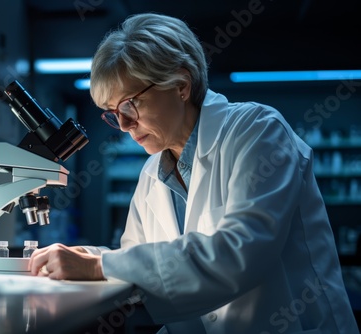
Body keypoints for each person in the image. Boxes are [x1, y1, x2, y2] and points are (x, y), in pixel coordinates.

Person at [28, 13, 359, 333]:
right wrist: (88, 257)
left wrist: (100, 266)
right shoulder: (151, 174)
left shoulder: (258, 132)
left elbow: (239, 253)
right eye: (113, 114)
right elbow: (137, 260)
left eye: (130, 104)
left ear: (181, 85)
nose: (125, 125)